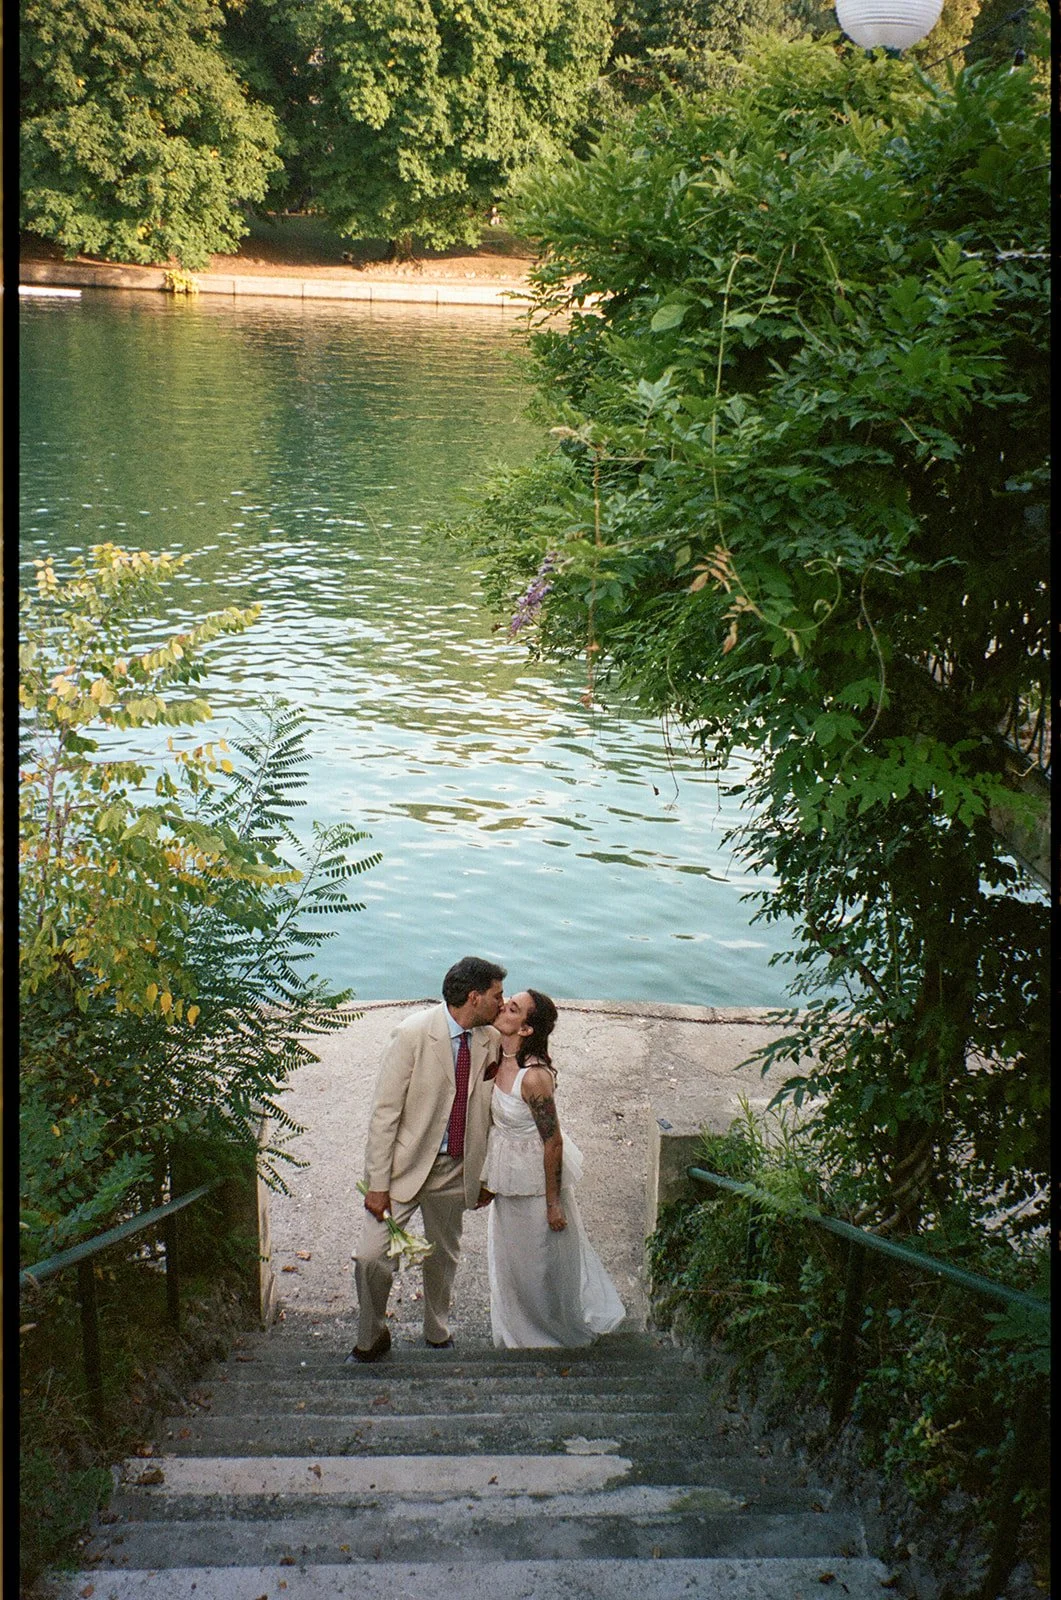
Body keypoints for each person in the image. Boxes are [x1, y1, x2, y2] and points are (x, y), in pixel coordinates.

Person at [348, 955, 506, 1362]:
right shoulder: (412, 1034)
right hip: (403, 1169)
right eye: (496, 995)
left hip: (455, 1170)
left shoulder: (492, 1040)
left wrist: (485, 1175)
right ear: (474, 997)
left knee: (443, 1254)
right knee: (371, 1257)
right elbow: (385, 1114)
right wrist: (377, 1183)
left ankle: (437, 1330)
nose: (501, 1004)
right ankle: (371, 1336)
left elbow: (498, 1115)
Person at [482, 988, 625, 1349]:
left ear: (526, 1029)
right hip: (508, 1178)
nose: (502, 1007)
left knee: (539, 1265)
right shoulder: (496, 1054)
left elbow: (553, 1140)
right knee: (511, 1262)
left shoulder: (534, 1078)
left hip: (536, 1183)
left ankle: (548, 1336)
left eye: (512, 1008)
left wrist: (552, 1202)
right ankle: (517, 1332)